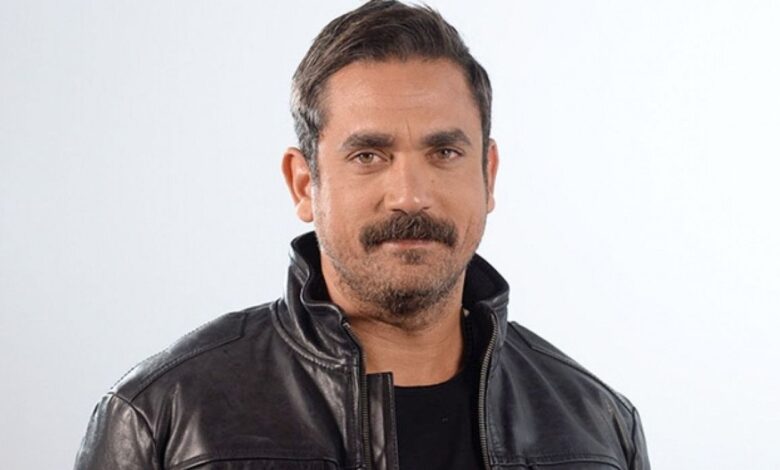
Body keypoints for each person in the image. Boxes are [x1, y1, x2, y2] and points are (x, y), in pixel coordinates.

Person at [75, 1, 650, 469]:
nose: (410, 195)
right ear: (305, 184)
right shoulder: (164, 417)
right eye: (369, 155)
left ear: (488, 175)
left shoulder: (597, 429)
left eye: (444, 152)